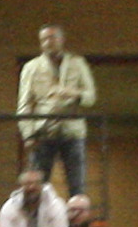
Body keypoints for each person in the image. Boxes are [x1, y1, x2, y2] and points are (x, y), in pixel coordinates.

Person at [15, 24, 95, 195]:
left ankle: (77, 211)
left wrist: (72, 93)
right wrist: (28, 134)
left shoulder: (77, 63)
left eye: (52, 38)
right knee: (38, 185)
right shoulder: (31, 67)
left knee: (77, 184)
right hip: (43, 131)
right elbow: (24, 105)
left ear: (61, 39)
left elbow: (91, 97)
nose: (48, 43)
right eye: (43, 39)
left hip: (73, 131)